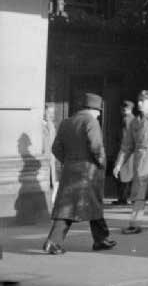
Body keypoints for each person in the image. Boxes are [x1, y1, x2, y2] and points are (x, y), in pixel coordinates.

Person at [43, 93, 116, 254]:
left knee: (70, 207)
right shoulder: (91, 121)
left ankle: (101, 239)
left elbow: (56, 148)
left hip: (70, 170)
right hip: (88, 172)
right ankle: (53, 242)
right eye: (98, 111)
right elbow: (96, 147)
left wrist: (68, 161)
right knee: (88, 205)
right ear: (93, 109)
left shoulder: (66, 122)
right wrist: (102, 163)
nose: (99, 114)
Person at [112, 90, 148, 234]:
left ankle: (135, 224)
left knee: (140, 195)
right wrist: (118, 164)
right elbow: (126, 146)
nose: (139, 103)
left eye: (142, 101)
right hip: (138, 163)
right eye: (138, 100)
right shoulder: (134, 122)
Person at [113, 100, 135, 206]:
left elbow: (124, 137)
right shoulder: (133, 119)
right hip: (130, 152)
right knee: (127, 174)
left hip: (125, 151)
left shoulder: (127, 120)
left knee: (123, 174)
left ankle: (124, 198)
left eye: (123, 108)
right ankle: (126, 198)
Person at [41, 103, 59, 204]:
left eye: (53, 113)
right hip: (44, 158)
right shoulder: (41, 125)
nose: (52, 115)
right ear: (44, 112)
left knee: (52, 182)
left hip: (52, 159)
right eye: (49, 112)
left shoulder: (51, 125)